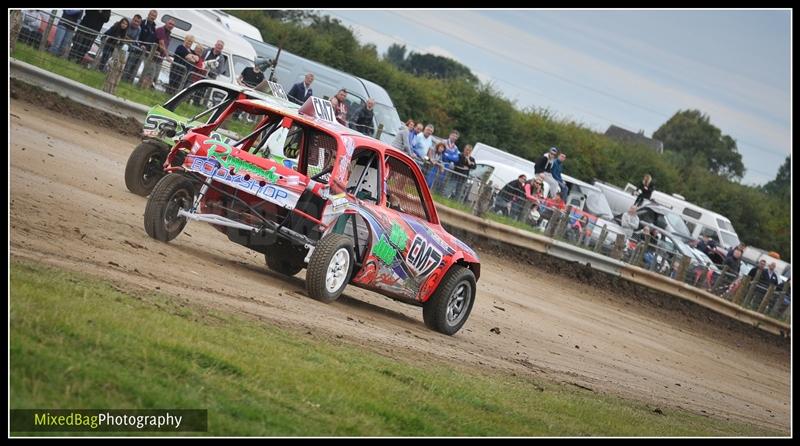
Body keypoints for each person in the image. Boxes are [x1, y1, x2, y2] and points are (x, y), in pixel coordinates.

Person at [123, 10, 157, 83]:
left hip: (144, 51)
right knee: (129, 64)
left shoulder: (154, 27)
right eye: (151, 15)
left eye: (154, 16)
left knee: (136, 67)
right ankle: (123, 80)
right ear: (148, 15)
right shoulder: (142, 23)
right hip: (136, 48)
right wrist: (140, 45)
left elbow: (152, 40)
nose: (152, 17)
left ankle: (129, 82)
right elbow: (138, 36)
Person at [440, 131, 461, 198]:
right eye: (453, 135)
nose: (454, 137)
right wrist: (451, 156)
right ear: (450, 135)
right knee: (436, 179)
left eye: (456, 137)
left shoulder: (455, 147)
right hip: (440, 164)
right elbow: (442, 154)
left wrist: (448, 155)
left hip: (448, 167)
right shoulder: (443, 142)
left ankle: (438, 195)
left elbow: (456, 159)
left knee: (442, 182)